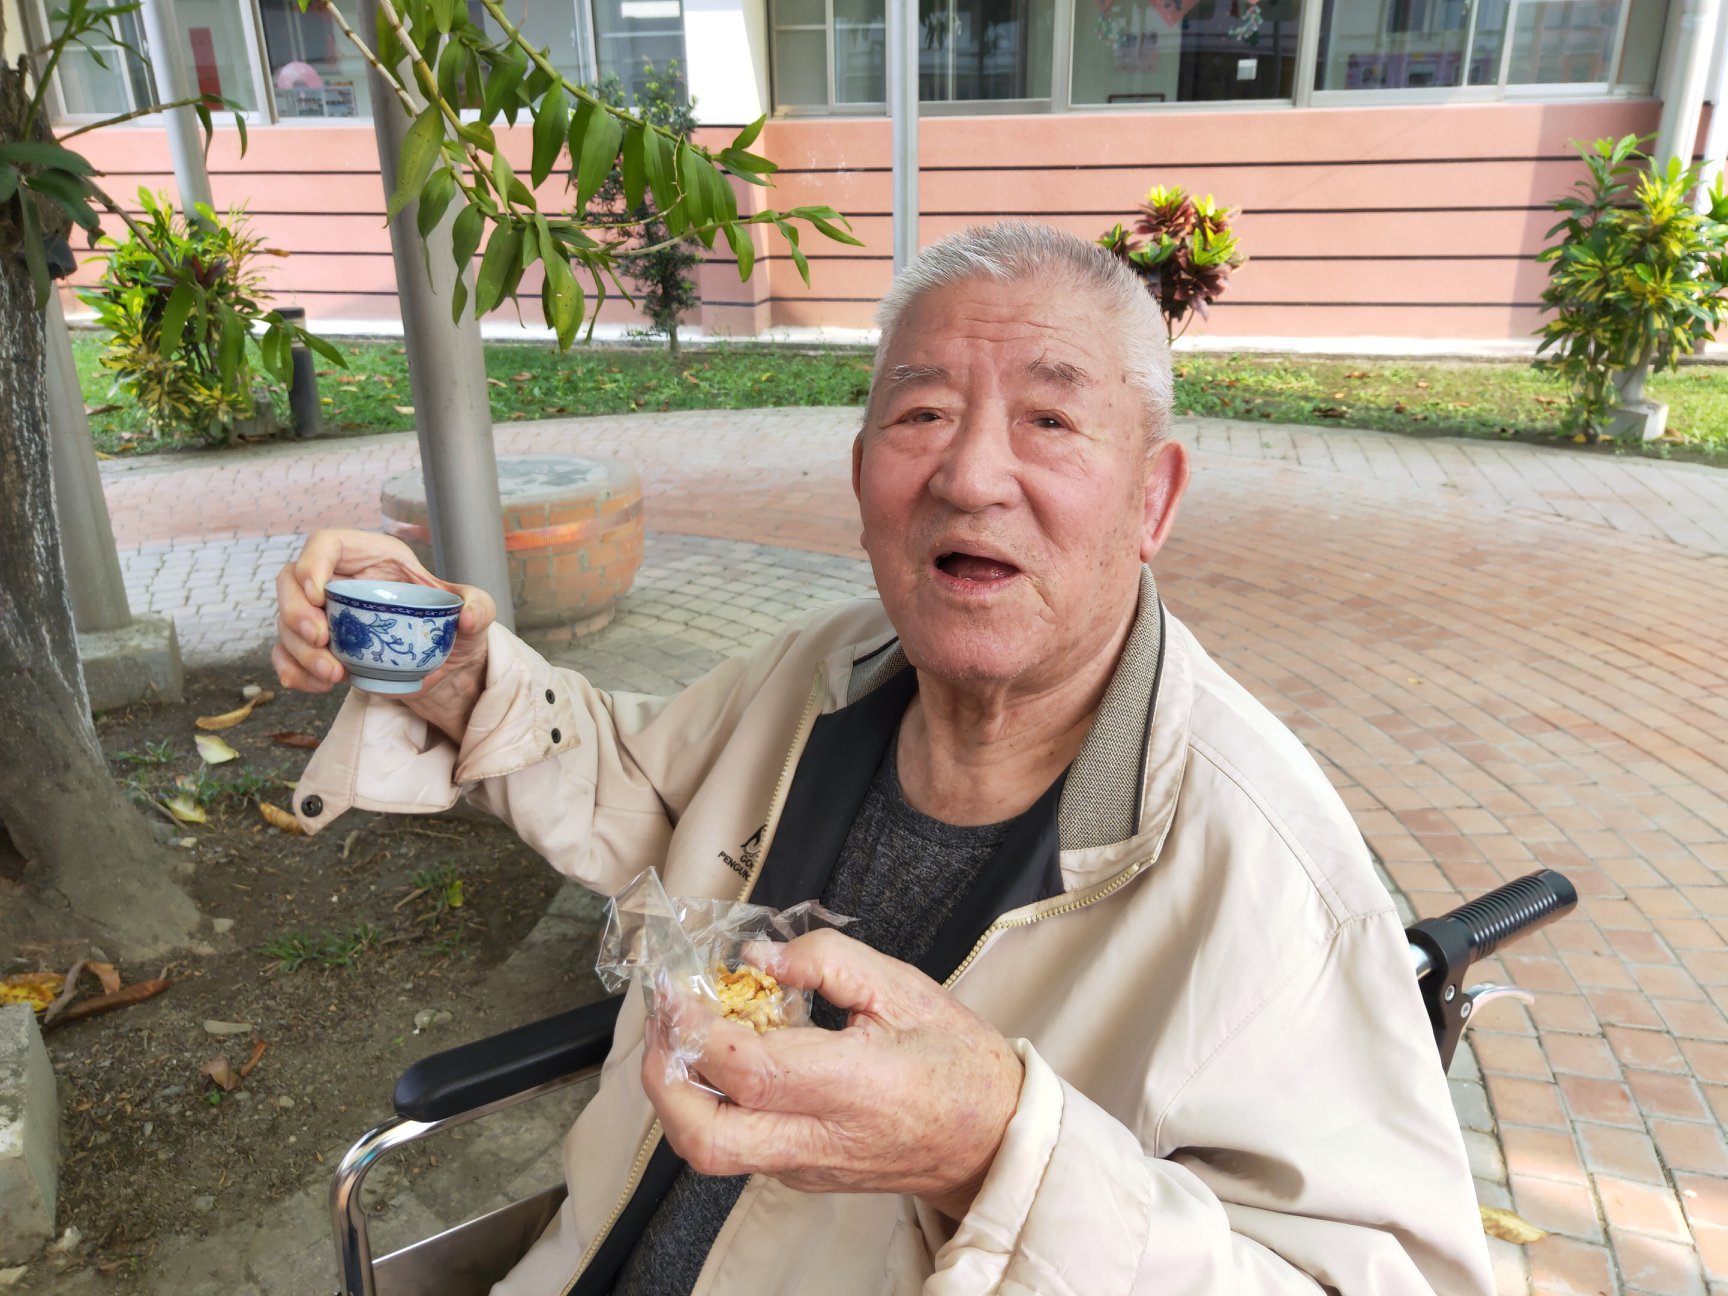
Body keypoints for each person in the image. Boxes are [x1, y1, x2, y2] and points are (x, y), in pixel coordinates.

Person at [276, 223, 1493, 1294]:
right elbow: (634, 789)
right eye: (920, 415)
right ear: (863, 478)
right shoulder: (831, 669)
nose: (968, 475)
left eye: (1052, 420)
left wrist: (1002, 1153)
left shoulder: (1271, 875)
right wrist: (439, 665)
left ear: (1153, 500)